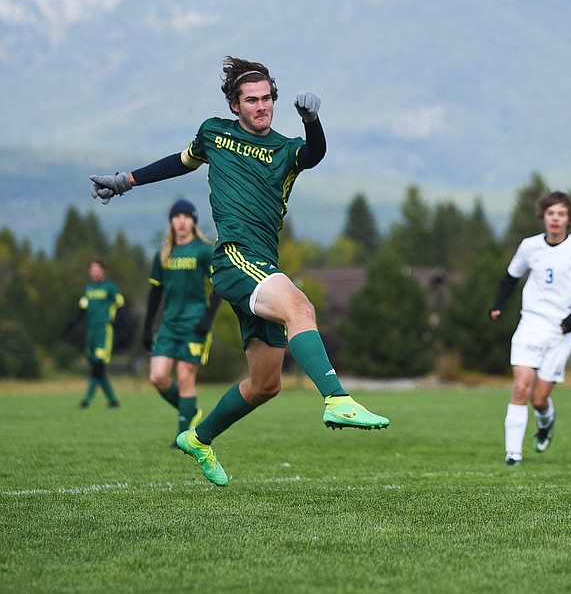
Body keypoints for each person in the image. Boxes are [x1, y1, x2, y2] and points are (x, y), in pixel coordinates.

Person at [90, 56, 388, 487]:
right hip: (234, 258)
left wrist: (313, 120)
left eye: (268, 98)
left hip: (263, 266)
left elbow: (315, 153)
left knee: (266, 384)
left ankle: (198, 437)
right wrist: (125, 180)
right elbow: (180, 161)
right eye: (252, 100)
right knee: (299, 306)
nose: (262, 106)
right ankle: (337, 398)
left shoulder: (286, 149)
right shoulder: (214, 133)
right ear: (235, 105)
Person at [489, 191, 571, 466]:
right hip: (530, 322)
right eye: (551, 213)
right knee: (520, 388)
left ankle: (545, 423)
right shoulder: (529, 246)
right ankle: (513, 454)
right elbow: (510, 278)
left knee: (539, 399)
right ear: (543, 217)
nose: (555, 218)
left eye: (561, 214)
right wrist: (498, 305)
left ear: (569, 219)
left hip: (561, 331)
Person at [143, 199, 222, 445]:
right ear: (171, 222)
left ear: (194, 221)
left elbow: (219, 286)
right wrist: (147, 326)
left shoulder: (204, 250)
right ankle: (191, 411)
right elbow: (155, 292)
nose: (181, 221)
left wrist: (208, 319)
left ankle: (182, 436)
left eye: (186, 217)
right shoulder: (164, 253)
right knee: (157, 377)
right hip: (169, 325)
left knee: (185, 377)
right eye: (176, 216)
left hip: (194, 323)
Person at [63, 257, 126, 409]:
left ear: (103, 271)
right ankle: (113, 400)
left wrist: (119, 326)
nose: (95, 273)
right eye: (92, 270)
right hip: (90, 331)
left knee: (97, 367)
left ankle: (87, 400)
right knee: (98, 369)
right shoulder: (88, 289)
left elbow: (122, 306)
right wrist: (68, 326)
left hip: (104, 331)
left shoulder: (110, 288)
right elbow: (81, 310)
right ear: (89, 272)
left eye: (98, 270)